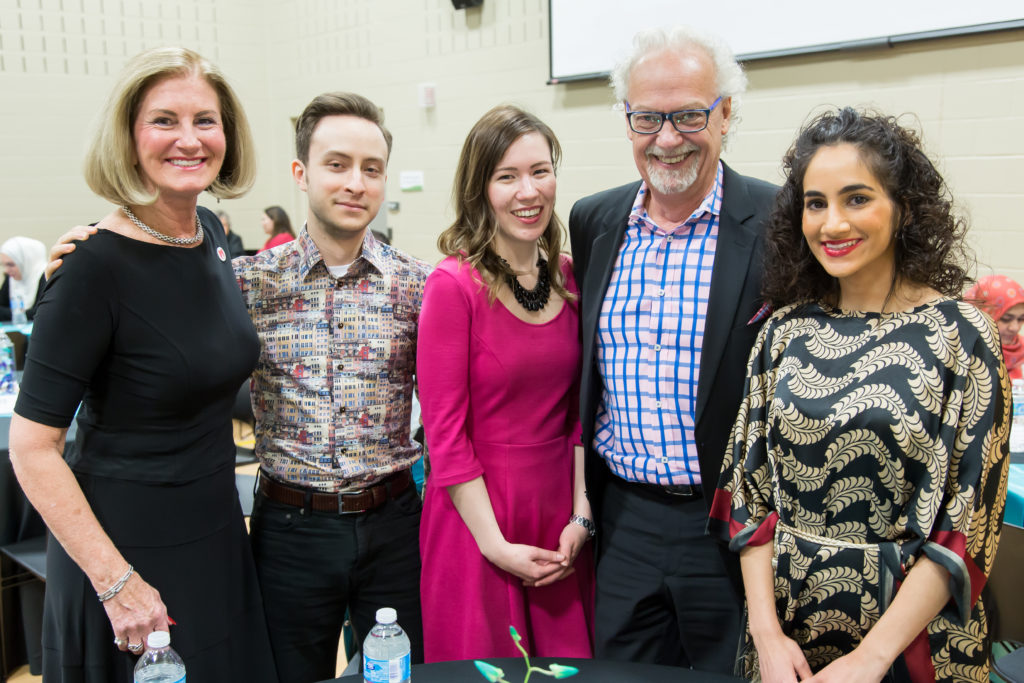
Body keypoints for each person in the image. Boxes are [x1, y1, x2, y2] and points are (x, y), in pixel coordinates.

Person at [709, 108, 1009, 682]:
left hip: (911, 648)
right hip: (786, 643)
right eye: (815, 203)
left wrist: (870, 661)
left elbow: (964, 527)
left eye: (857, 199)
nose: (832, 223)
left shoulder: (962, 338)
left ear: (904, 208)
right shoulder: (783, 332)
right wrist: (766, 637)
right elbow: (747, 498)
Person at [8, 46, 276, 682]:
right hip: (126, 552)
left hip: (213, 530)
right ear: (127, 139)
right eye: (164, 120)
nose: (189, 139)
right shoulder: (91, 269)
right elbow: (32, 448)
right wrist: (115, 582)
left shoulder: (207, 233)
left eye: (205, 120)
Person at [567, 26, 777, 670]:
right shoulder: (594, 221)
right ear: (627, 119)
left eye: (689, 114)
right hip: (624, 520)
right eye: (647, 118)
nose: (666, 137)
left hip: (729, 527)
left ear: (726, 113)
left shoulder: (778, 223)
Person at [234, 92, 430, 683]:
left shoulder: (417, 284)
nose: (355, 183)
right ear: (301, 173)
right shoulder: (247, 284)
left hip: (393, 520)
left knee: (405, 675)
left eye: (371, 169)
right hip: (291, 528)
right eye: (337, 164)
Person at [417, 105, 594, 662]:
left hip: (559, 523)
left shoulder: (568, 277)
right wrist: (495, 546)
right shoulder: (453, 286)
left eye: (540, 171)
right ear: (480, 189)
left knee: (572, 668)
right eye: (507, 176)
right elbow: (444, 437)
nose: (528, 191)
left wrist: (582, 515)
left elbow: (579, 414)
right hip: (478, 524)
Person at [965, 274, 1024, 380]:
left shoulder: (1021, 350)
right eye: (1006, 319)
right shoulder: (963, 353)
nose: (1014, 327)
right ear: (982, 315)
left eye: (1021, 319)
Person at [0, 237, 47, 321]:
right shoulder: (11, 278)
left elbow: (40, 313)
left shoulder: (46, 277)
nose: (6, 270)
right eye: (4, 265)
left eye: (11, 265)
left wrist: (15, 314)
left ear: (27, 261)